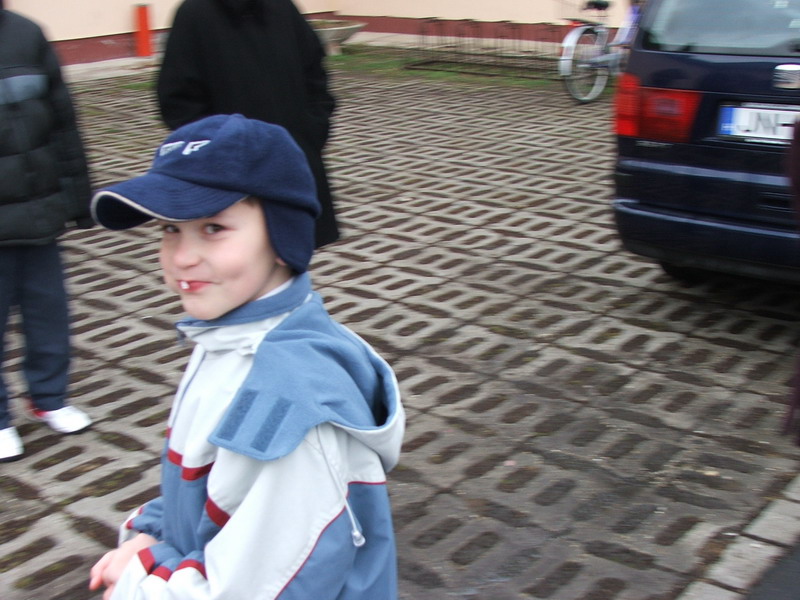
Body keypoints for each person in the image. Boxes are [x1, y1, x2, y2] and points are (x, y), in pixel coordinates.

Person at [88, 114, 404, 600]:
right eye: (170, 228)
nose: (181, 257)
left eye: (213, 227)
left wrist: (139, 584)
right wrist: (152, 534)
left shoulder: (284, 404)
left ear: (282, 237)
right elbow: (211, 494)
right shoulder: (226, 336)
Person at [156, 0, 339, 249]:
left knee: (293, 254)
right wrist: (216, 155)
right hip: (230, 178)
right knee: (242, 255)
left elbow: (315, 73)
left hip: (293, 162)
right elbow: (178, 101)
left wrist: (312, 131)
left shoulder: (282, 8)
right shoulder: (195, 14)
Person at [0, 4, 93, 462]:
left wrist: (78, 198)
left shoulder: (27, 34)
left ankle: (49, 397)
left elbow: (63, 122)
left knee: (48, 313)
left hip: (38, 214)